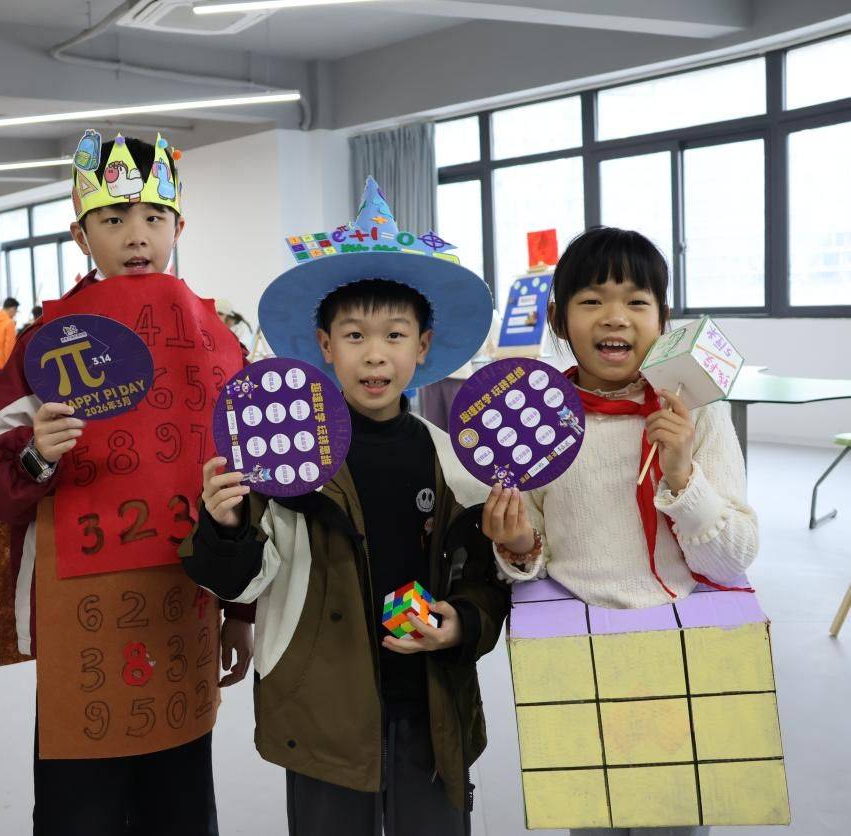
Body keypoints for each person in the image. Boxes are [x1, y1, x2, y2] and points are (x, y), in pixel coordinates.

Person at [182, 177, 507, 836]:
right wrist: (225, 525)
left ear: (422, 346)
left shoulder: (453, 462)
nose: (375, 354)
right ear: (324, 346)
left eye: (394, 334)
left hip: (430, 707)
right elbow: (243, 581)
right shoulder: (282, 462)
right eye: (354, 335)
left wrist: (459, 625)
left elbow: (482, 578)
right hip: (322, 707)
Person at [0, 131, 254, 835]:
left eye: (154, 217)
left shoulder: (218, 339)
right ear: (81, 234)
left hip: (185, 590)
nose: (136, 236)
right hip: (82, 601)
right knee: (80, 802)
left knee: (180, 798)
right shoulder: (47, 343)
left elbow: (251, 486)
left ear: (178, 228)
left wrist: (242, 609)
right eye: (113, 218)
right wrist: (35, 453)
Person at [483, 227, 759, 836]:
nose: (615, 317)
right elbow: (532, 553)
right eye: (591, 300)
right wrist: (518, 543)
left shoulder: (697, 412)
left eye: (636, 301)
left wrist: (683, 475)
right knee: (594, 814)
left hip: (681, 641)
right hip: (575, 642)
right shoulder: (536, 415)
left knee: (676, 815)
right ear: (558, 319)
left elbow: (732, 557)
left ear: (663, 319)